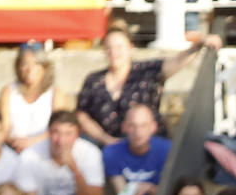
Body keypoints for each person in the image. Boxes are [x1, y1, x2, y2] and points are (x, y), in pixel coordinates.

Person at [76, 20, 220, 147]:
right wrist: (105, 139)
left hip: (149, 144)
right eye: (109, 48)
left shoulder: (145, 70)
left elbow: (176, 62)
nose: (114, 52)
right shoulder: (93, 80)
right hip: (109, 145)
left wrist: (198, 45)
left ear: (130, 48)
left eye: (119, 47)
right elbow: (82, 115)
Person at [16, 111, 105, 195]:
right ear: (49, 133)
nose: (61, 141)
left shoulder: (90, 153)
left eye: (68, 134)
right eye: (56, 132)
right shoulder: (29, 156)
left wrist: (75, 169)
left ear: (77, 135)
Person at [0, 42, 73, 155]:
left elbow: (59, 128)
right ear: (18, 67)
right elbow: (4, 128)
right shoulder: (8, 91)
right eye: (25, 64)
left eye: (36, 64)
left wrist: (30, 142)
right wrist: (15, 142)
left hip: (45, 150)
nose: (30, 69)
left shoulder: (55, 93)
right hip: (13, 149)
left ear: (44, 67)